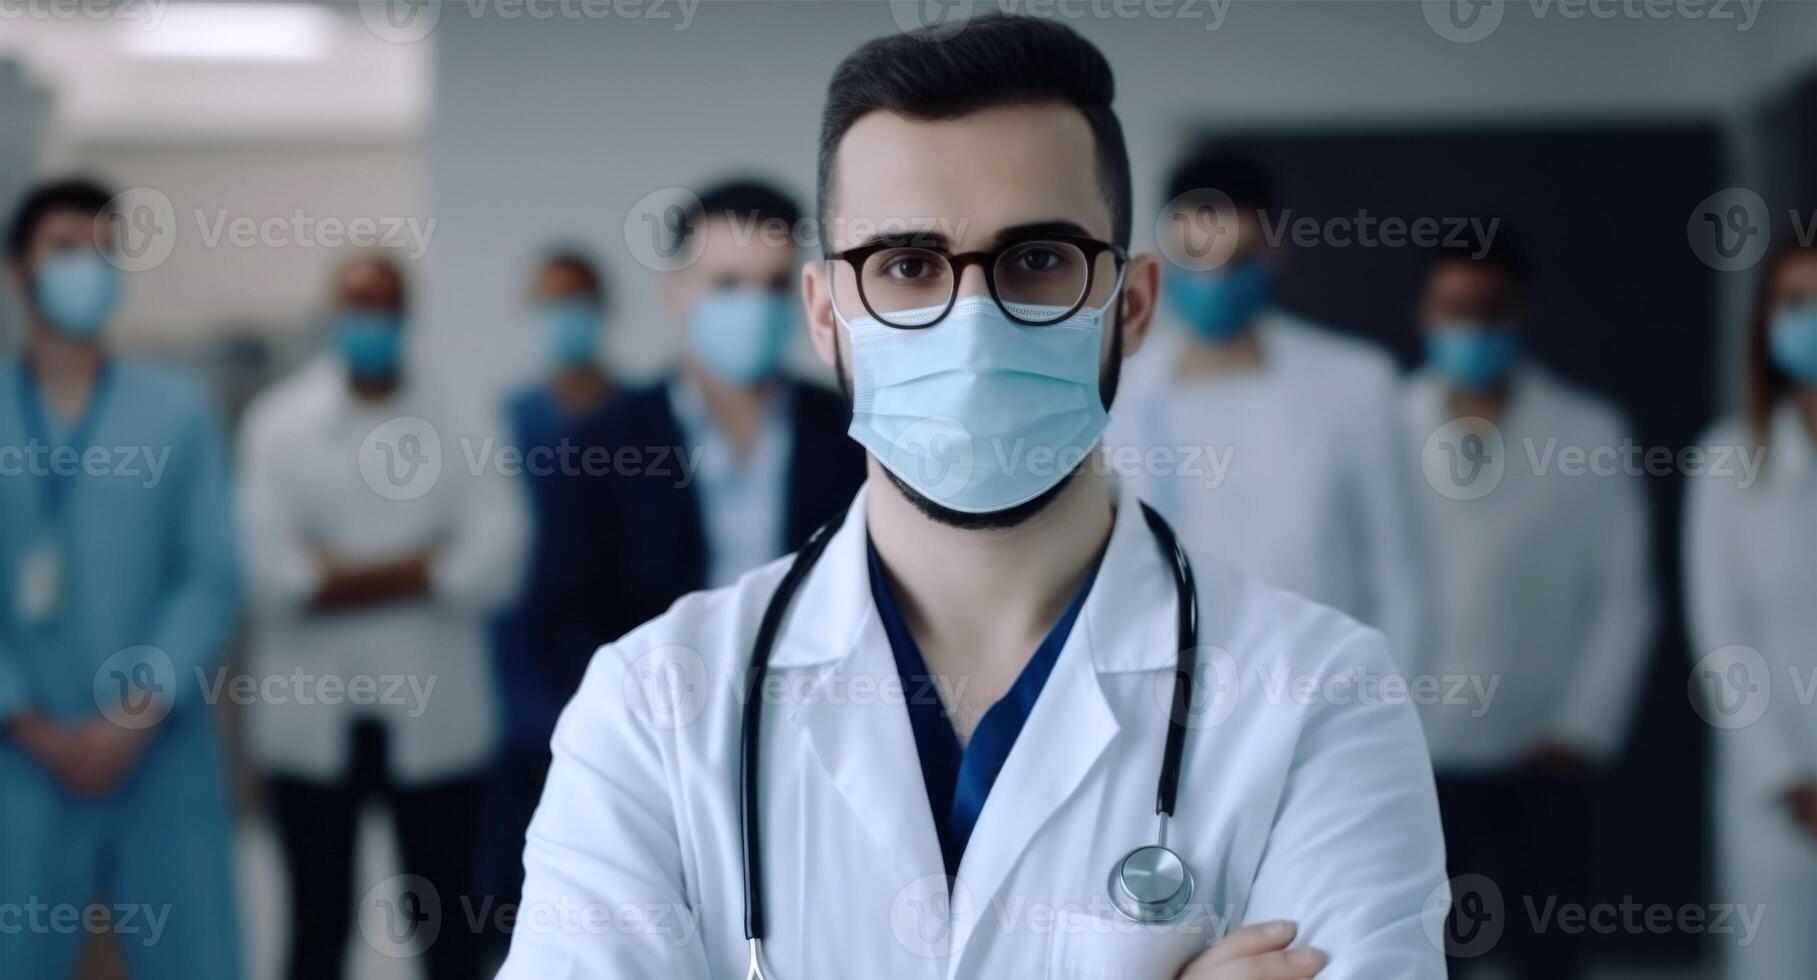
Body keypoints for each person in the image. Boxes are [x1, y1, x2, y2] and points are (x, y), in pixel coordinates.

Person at [501, 17, 1445, 979]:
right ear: (826, 317)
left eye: (1036, 261)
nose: (974, 322)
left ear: (1132, 304)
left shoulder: (1323, 699)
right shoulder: (652, 709)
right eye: (907, 267)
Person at [236, 254, 529, 980]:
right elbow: (272, 573)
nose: (371, 320)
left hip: (437, 721)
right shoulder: (277, 424)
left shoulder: (463, 417)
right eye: (356, 305)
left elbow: (496, 560)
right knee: (314, 925)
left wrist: (336, 570)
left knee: (448, 929)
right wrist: (421, 564)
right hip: (311, 717)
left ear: (406, 314)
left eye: (385, 306)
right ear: (331, 312)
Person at [0, 178, 241, 980]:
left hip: (154, 743)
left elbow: (211, 573)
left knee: (189, 949)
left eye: (104, 250)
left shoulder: (174, 411)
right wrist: (22, 717)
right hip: (17, 749)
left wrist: (136, 712)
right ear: (18, 270)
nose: (87, 268)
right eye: (65, 250)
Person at [1402, 244, 1655, 979]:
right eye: (1454, 310)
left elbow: (1623, 593)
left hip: (1543, 751)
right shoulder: (1382, 424)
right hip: (1414, 747)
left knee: (1549, 953)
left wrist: (1579, 729)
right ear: (1424, 316)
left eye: (1490, 310)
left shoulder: (1588, 430)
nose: (1472, 328)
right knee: (1416, 953)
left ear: (1521, 312)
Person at [529, 179, 864, 682]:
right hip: (656, 730)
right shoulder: (606, 444)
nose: (754, 307)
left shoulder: (851, 431)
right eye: (727, 284)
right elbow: (560, 621)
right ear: (675, 290)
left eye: (773, 285)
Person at [1106, 147, 1428, 666]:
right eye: (1195, 256)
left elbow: (1402, 573)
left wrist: (1385, 717)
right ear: (1160, 256)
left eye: (1237, 258)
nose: (1215, 279)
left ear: (1276, 251)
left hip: (1319, 692)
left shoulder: (1356, 383)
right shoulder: (1118, 389)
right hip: (1167, 697)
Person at [476, 248, 620, 966]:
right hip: (522, 690)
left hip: (615, 664)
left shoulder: (636, 419)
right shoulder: (506, 420)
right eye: (551, 301)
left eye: (578, 299)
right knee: (515, 874)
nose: (566, 316)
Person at [1684, 240, 1817, 980]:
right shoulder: (1726, 460)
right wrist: (1790, 784)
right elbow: (1721, 639)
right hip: (1773, 798)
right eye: (1795, 302)